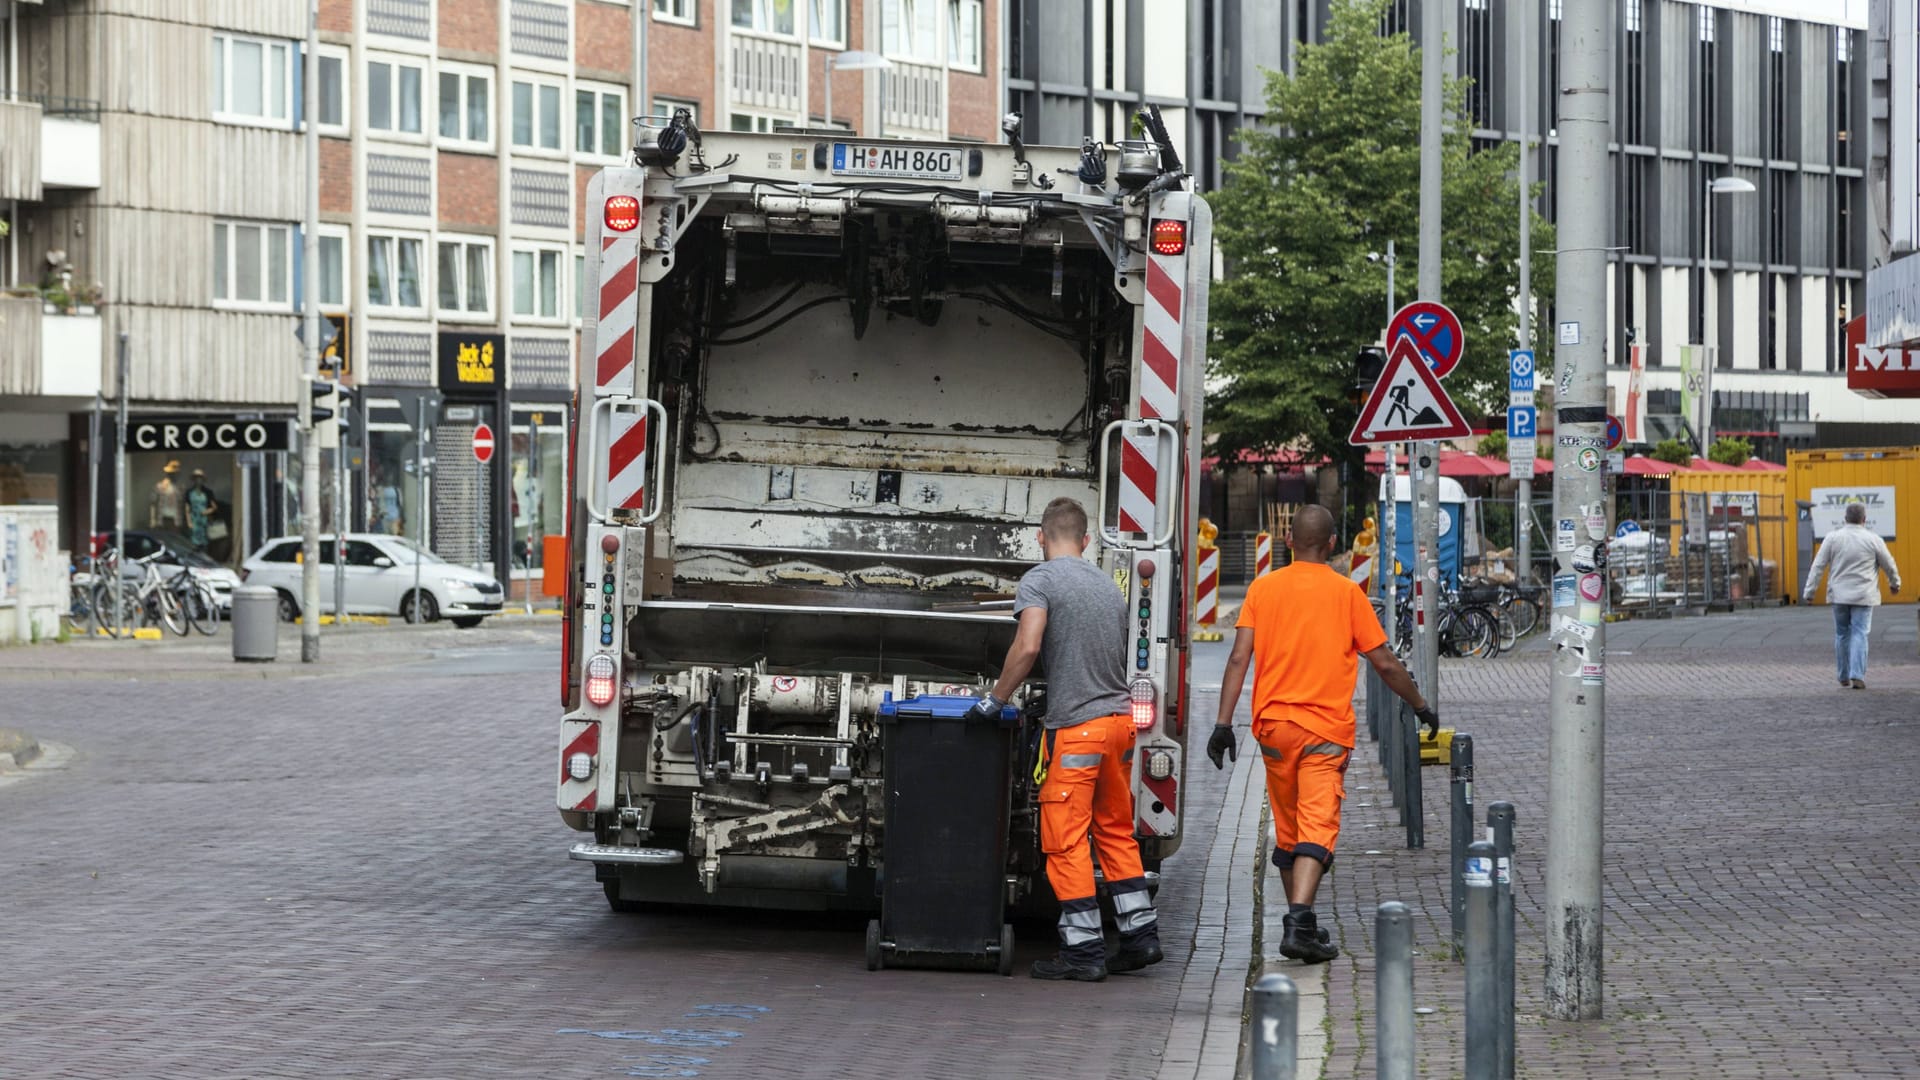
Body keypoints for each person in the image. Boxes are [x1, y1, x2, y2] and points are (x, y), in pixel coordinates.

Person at [1206, 504, 1436, 964]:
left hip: (1273, 730)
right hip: (1323, 732)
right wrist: (1419, 705)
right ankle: (1299, 925)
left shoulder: (1263, 588)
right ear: (1333, 545)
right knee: (1318, 826)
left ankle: (1302, 926)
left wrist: (1222, 724)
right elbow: (1385, 662)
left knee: (1289, 831)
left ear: (1289, 542)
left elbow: (1238, 659)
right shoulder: (1347, 593)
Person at [972, 496, 1162, 982]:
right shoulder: (1108, 585)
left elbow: (1029, 644)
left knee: (1065, 839)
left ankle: (1082, 953)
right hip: (1119, 726)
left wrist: (996, 698)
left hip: (1078, 730)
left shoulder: (1040, 580)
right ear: (1085, 541)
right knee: (1116, 832)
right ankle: (1139, 938)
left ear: (1041, 537)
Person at [1802, 502, 1902, 690]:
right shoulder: (1873, 539)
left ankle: (1843, 675)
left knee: (1842, 634)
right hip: (1864, 596)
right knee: (1860, 633)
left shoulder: (1833, 538)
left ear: (1845, 519)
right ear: (1864, 519)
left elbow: (1818, 566)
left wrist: (1810, 591)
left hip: (1839, 596)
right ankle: (1857, 674)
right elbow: (1889, 564)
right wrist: (1895, 584)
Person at [185, 469, 219, 551]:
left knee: (204, 543)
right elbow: (187, 508)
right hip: (194, 520)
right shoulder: (189, 492)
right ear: (193, 479)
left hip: (204, 521)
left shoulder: (208, 492)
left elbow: (214, 507)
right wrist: (189, 522)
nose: (198, 480)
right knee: (193, 543)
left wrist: (207, 511)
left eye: (200, 478)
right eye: (196, 478)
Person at [149, 460, 182, 530]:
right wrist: (152, 519)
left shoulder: (179, 488)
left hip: (175, 520)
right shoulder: (160, 486)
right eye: (173, 473)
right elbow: (153, 503)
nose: (175, 474)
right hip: (163, 519)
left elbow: (180, 504)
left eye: (176, 473)